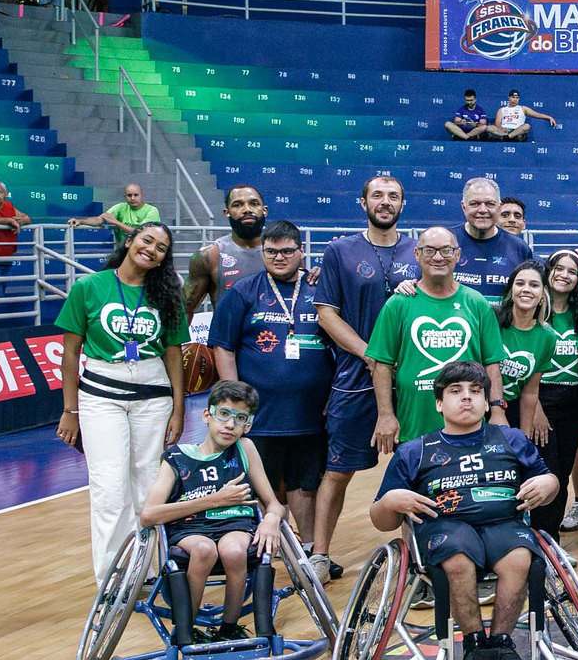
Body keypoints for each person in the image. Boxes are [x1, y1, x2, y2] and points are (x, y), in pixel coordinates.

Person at [371, 361, 560, 660]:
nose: (467, 398)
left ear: (487, 403)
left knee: (519, 558)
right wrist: (391, 501)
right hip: (446, 527)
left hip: (504, 524)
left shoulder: (511, 440)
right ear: (439, 403)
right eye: (456, 391)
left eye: (476, 392)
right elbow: (382, 520)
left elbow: (548, 481)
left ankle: (501, 641)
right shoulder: (416, 451)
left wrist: (549, 483)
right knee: (457, 559)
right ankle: (474, 644)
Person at [58, 223, 187, 578]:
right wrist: (71, 410)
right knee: (109, 488)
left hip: (153, 392)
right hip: (101, 392)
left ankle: (150, 573)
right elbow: (70, 355)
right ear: (130, 241)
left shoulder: (167, 295)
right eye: (147, 240)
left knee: (150, 485)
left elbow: (174, 354)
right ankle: (113, 580)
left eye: (162, 248)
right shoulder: (89, 287)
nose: (152, 249)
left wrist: (179, 407)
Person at [312, 174, 419, 575]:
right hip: (354, 380)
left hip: (411, 383)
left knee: (418, 470)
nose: (385, 202)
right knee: (337, 471)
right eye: (378, 195)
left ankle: (417, 558)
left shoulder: (419, 251)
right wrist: (371, 356)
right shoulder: (340, 250)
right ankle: (320, 554)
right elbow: (326, 314)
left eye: (394, 196)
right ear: (363, 203)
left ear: (403, 205)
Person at [207, 220, 330, 544]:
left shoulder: (321, 288)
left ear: (301, 252)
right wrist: (234, 402)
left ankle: (307, 550)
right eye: (271, 252)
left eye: (287, 251)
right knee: (263, 483)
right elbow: (223, 346)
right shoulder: (243, 292)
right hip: (261, 417)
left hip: (311, 414)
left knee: (306, 484)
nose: (279, 257)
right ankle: (268, 546)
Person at [137, 379, 285, 641]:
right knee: (204, 550)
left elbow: (273, 503)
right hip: (190, 527)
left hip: (235, 524)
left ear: (247, 425)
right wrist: (215, 500)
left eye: (240, 418)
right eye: (224, 414)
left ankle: (229, 628)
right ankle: (185, 630)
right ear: (207, 415)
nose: (230, 424)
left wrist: (271, 519)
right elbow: (149, 515)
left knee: (234, 550)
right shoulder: (177, 457)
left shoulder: (245, 449)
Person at [366, 226, 507, 467]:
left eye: (446, 250)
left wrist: (497, 409)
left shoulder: (476, 303)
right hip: (415, 427)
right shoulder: (398, 304)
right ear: (417, 255)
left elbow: (491, 363)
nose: (438, 257)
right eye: (429, 250)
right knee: (414, 502)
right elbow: (381, 365)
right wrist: (386, 415)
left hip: (470, 428)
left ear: (458, 255)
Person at [531, 251, 578, 536]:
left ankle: (551, 541)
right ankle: (537, 538)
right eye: (558, 268)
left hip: (573, 403)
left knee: (562, 473)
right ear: (548, 271)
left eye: (572, 271)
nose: (564, 275)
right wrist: (536, 411)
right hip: (539, 402)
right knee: (545, 473)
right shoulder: (533, 311)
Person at [494, 260, 554, 464]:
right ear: (511, 290)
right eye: (520, 284)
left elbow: (530, 391)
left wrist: (524, 436)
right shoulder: (491, 320)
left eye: (534, 285)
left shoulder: (547, 337)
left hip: (513, 409)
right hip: (482, 409)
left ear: (542, 295)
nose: (526, 290)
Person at [182, 184, 270, 319]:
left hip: (273, 338)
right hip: (227, 338)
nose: (247, 210)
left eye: (254, 203)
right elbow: (185, 309)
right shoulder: (208, 256)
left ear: (264, 210)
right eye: (237, 205)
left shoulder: (285, 253)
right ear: (226, 212)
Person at [454, 176, 532, 300]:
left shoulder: (519, 248)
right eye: (475, 204)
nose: (483, 210)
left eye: (490, 204)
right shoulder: (445, 242)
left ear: (499, 207)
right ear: (464, 207)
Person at [0, 179, 30, 327]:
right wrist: (9, 220)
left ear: (5, 194)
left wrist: (19, 221)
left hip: (6, 259)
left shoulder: (9, 205)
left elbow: (27, 218)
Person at [70, 182, 160, 248]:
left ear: (142, 195)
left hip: (144, 252)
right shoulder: (120, 207)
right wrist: (80, 221)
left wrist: (115, 222)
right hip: (123, 252)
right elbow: (99, 220)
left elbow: (141, 232)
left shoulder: (152, 210)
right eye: (129, 195)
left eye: (136, 195)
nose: (132, 198)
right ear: (125, 197)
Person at [491, 89, 558, 141]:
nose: (515, 99)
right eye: (513, 97)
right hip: (504, 131)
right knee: (488, 128)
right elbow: (497, 123)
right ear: (509, 98)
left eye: (517, 98)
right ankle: (506, 136)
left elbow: (537, 114)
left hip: (516, 131)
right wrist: (502, 129)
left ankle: (507, 137)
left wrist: (549, 117)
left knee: (526, 126)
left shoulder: (523, 108)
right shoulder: (502, 110)